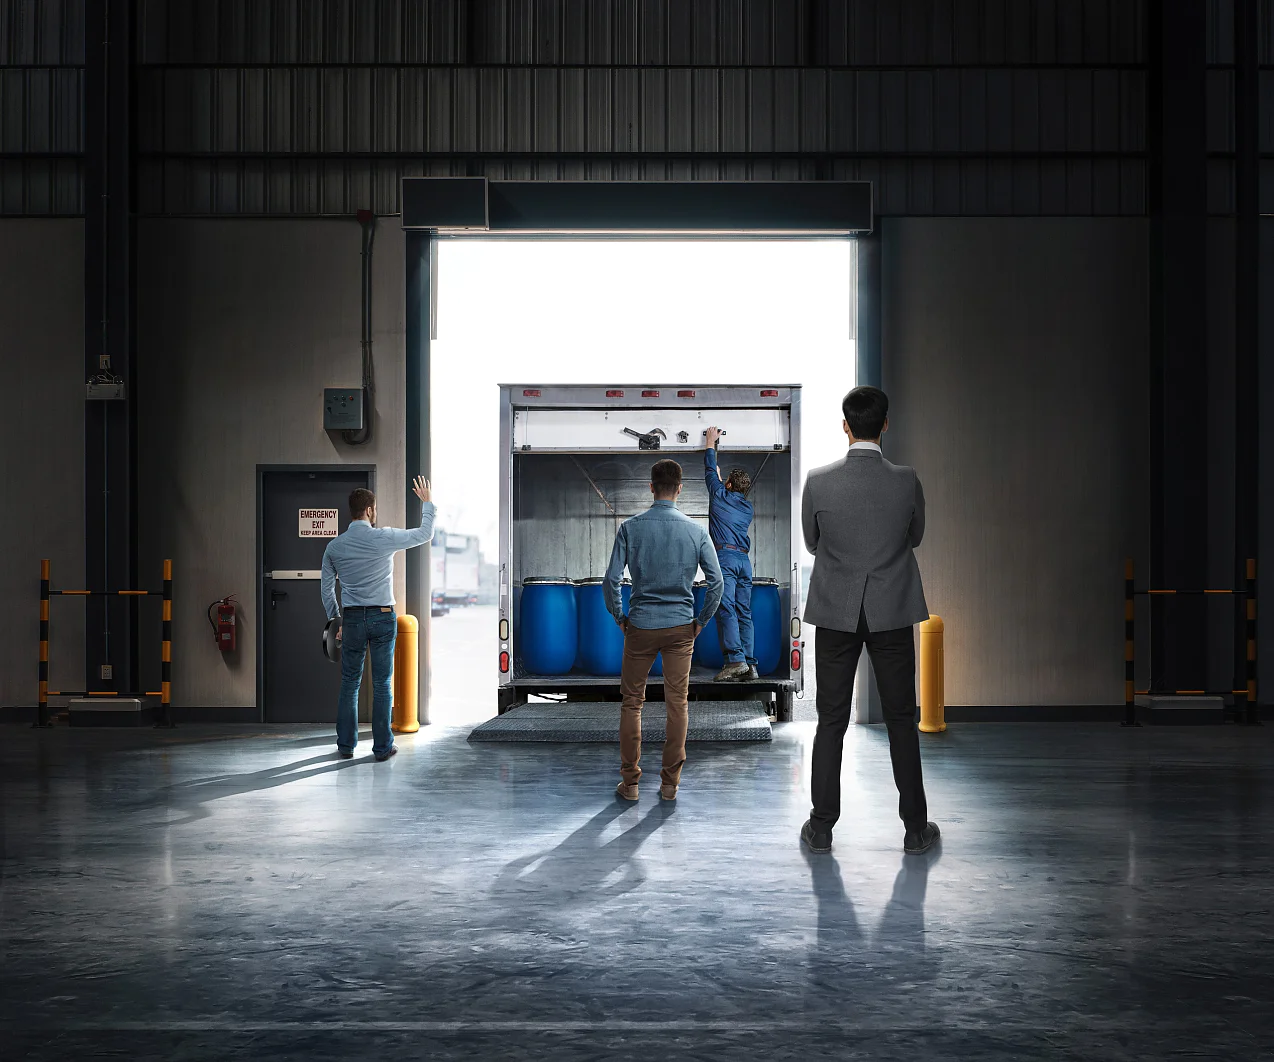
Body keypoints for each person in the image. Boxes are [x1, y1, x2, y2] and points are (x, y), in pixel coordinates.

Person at [799, 387, 940, 855]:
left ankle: (822, 827)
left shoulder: (818, 481)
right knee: (901, 718)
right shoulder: (906, 480)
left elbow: (813, 542)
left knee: (830, 721)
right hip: (892, 610)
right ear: (885, 425)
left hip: (835, 612)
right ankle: (915, 830)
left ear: (845, 425)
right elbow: (915, 537)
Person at [604, 459, 724, 802]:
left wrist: (619, 616)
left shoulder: (631, 528)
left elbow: (612, 580)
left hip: (639, 626)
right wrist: (700, 621)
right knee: (677, 704)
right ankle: (669, 785)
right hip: (680, 629)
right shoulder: (696, 531)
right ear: (680, 489)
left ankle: (630, 784)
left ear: (652, 487)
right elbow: (716, 583)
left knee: (632, 704)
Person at [321, 476, 434, 762]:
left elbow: (325, 588)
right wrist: (428, 503)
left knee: (350, 683)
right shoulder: (384, 537)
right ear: (370, 510)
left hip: (353, 620)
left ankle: (346, 746)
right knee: (382, 684)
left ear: (352, 511)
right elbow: (424, 534)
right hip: (383, 617)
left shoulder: (334, 547)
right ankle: (382, 748)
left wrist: (336, 620)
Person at [703, 426, 758, 681]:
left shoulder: (718, 496)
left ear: (727, 484)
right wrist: (720, 479)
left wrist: (711, 443)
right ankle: (750, 664)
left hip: (725, 559)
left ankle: (735, 661)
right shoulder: (747, 508)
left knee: (726, 609)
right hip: (744, 561)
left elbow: (708, 471)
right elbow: (717, 480)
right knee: (744, 612)